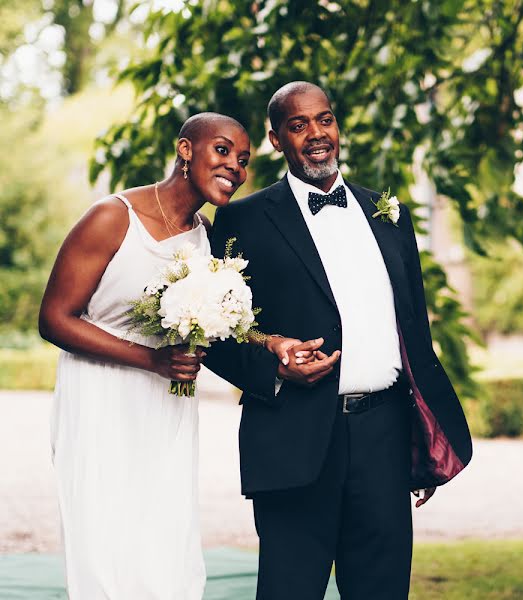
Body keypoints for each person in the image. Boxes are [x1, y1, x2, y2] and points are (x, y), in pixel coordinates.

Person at [202, 81, 473, 600]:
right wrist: (273, 370)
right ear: (276, 140)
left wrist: (422, 440)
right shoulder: (242, 220)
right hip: (294, 437)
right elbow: (214, 332)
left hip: (385, 438)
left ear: (337, 126)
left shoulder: (387, 215)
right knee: (289, 589)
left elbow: (414, 330)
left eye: (324, 119)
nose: (316, 134)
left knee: (382, 589)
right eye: (298, 125)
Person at [39, 112, 253, 599]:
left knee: (164, 529)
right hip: (98, 393)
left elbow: (223, 322)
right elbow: (54, 318)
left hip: (166, 402)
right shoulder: (113, 217)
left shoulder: (207, 240)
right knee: (104, 532)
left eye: (243, 161)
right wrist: (151, 360)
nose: (235, 168)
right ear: (185, 150)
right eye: (222, 151)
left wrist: (270, 343)